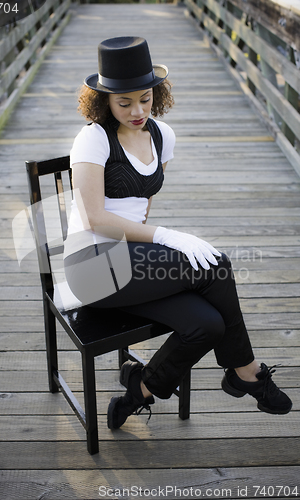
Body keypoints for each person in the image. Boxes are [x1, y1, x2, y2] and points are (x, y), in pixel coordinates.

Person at [64, 36, 292, 430]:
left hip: (132, 265)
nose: (137, 111)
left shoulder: (162, 136)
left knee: (208, 326)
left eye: (146, 99)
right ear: (104, 100)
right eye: (124, 103)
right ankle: (245, 371)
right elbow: (95, 220)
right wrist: (167, 237)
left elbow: (142, 202)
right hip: (92, 268)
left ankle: (140, 391)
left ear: (157, 92)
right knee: (216, 265)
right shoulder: (93, 139)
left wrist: (158, 248)